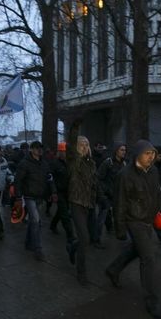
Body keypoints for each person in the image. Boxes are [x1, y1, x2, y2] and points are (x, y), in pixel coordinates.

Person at [105, 140, 161, 319]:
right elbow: (119, 203)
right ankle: (152, 300)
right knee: (148, 258)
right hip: (134, 221)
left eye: (153, 154)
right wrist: (120, 229)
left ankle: (113, 269)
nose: (151, 157)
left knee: (136, 250)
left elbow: (158, 193)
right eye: (147, 154)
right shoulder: (124, 175)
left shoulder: (154, 171)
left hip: (149, 220)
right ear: (138, 154)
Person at [65, 121, 99, 286]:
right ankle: (81, 273)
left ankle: (72, 247)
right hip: (76, 202)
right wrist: (75, 127)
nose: (85, 146)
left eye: (87, 144)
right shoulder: (73, 160)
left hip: (89, 204)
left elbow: (93, 185)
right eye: (81, 144)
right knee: (84, 238)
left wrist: (97, 199)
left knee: (87, 238)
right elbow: (70, 144)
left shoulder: (91, 163)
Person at [14, 141, 56, 261]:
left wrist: (53, 192)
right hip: (29, 196)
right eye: (37, 148)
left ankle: (28, 243)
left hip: (40, 196)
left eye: (40, 148)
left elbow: (50, 178)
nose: (39, 150)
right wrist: (18, 197)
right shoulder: (24, 163)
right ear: (31, 149)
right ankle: (37, 249)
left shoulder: (44, 163)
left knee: (33, 221)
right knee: (36, 221)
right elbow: (18, 181)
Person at [96, 142, 127, 247]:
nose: (124, 152)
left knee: (120, 215)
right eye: (122, 150)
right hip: (106, 195)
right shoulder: (108, 162)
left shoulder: (124, 164)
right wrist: (104, 192)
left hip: (117, 195)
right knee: (102, 217)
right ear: (116, 151)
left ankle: (120, 234)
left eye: (124, 150)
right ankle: (96, 239)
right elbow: (98, 178)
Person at [49, 142, 76, 246]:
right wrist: (53, 192)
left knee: (61, 211)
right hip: (58, 192)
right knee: (65, 214)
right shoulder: (54, 164)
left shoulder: (69, 163)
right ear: (59, 152)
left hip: (68, 192)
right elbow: (50, 179)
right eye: (63, 152)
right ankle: (71, 235)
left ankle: (53, 225)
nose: (65, 154)